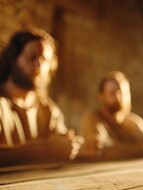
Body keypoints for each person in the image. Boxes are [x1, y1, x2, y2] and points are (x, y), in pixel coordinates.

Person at [0, 30, 82, 166]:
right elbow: (50, 149)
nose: (39, 65)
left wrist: (72, 146)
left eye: (44, 60)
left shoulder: (48, 109)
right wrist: (45, 150)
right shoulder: (2, 104)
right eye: (32, 57)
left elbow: (61, 144)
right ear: (12, 60)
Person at [80, 71, 143, 159]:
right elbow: (101, 150)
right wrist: (142, 149)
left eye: (122, 93)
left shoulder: (133, 121)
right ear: (102, 97)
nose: (118, 97)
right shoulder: (93, 119)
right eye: (112, 93)